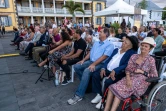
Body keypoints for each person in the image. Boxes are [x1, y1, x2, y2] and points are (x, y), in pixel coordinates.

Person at [104, 37, 158, 111]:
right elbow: (128, 69)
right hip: (129, 77)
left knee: (118, 92)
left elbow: (155, 75)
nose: (143, 47)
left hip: (141, 82)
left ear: (150, 49)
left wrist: (143, 72)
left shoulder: (151, 60)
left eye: (146, 46)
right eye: (142, 45)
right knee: (111, 87)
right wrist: (128, 78)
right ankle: (106, 109)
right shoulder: (134, 56)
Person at [67, 28, 114, 105]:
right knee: (76, 66)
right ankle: (87, 85)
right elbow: (90, 53)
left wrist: (94, 64)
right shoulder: (97, 43)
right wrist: (83, 60)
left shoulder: (110, 45)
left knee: (86, 71)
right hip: (91, 61)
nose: (99, 33)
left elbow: (104, 57)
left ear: (106, 34)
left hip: (100, 64)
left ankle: (79, 95)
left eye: (101, 32)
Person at [91, 36, 138, 109]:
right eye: (123, 41)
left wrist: (115, 70)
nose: (123, 43)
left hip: (118, 73)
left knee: (108, 81)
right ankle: (99, 94)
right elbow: (108, 60)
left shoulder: (131, 54)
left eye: (125, 43)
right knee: (95, 75)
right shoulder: (116, 50)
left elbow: (127, 65)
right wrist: (103, 67)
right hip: (107, 69)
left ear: (130, 46)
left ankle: (104, 100)